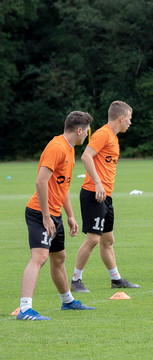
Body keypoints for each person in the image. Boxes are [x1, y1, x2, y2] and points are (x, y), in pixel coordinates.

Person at [18, 111, 95, 320]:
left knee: (59, 258)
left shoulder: (69, 150)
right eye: (86, 132)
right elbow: (41, 182)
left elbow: (62, 187)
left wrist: (69, 215)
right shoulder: (56, 147)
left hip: (55, 214)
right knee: (40, 257)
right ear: (79, 130)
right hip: (39, 213)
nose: (87, 136)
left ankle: (68, 301)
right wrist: (45, 216)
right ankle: (25, 309)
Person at [70, 101, 140, 292]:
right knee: (93, 239)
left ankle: (116, 279)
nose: (130, 123)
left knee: (108, 240)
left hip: (105, 196)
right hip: (94, 193)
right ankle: (76, 280)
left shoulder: (114, 138)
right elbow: (86, 156)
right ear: (121, 118)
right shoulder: (103, 134)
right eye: (130, 119)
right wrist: (98, 182)